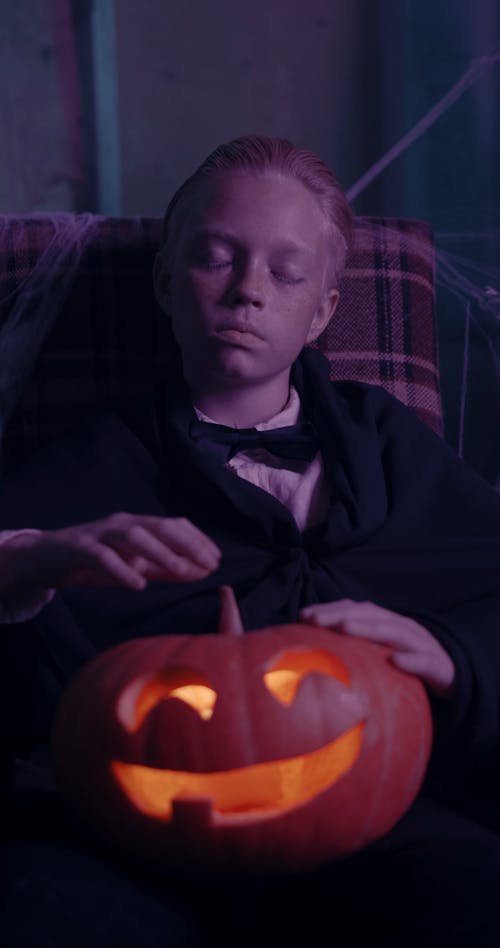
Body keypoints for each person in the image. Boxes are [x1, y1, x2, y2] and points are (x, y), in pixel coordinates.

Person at [1, 135, 500, 947]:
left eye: (286, 272)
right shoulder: (98, 457)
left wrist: (452, 654)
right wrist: (26, 564)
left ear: (325, 312)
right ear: (166, 282)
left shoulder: (385, 439)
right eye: (215, 259)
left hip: (380, 817)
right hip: (139, 839)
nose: (247, 293)